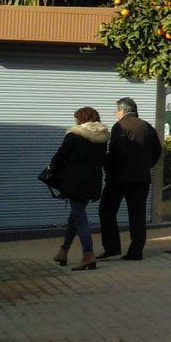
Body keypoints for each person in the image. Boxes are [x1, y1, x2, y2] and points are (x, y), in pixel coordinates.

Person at [47, 107, 111, 271]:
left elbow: (59, 157)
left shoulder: (74, 136)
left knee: (80, 217)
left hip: (75, 181)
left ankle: (88, 254)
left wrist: (52, 169)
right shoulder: (103, 138)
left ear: (80, 120)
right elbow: (103, 161)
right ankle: (64, 250)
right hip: (93, 182)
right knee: (76, 214)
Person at [99, 96, 162, 260]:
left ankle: (112, 247)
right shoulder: (147, 127)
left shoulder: (119, 127)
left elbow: (115, 153)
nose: (115, 114)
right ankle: (136, 251)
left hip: (119, 179)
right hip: (142, 178)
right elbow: (157, 151)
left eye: (116, 111)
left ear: (121, 111)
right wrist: (146, 166)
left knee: (107, 210)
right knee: (137, 215)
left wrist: (108, 169)